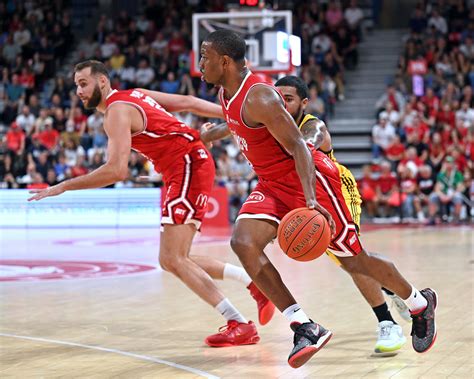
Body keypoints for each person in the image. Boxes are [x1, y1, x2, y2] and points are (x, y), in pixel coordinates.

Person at [199, 30, 437, 368]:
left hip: (306, 181)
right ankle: (304, 326)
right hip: (271, 184)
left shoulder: (260, 96)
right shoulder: (227, 92)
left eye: (204, 58)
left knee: (355, 261)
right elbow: (239, 122)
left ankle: (418, 304)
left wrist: (310, 201)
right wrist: (213, 132)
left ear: (224, 62)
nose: (199, 65)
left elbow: (299, 146)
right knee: (243, 242)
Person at [28, 60, 275, 348]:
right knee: (172, 257)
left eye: (83, 83)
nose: (79, 91)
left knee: (173, 258)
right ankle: (253, 285)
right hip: (185, 166)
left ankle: (239, 322)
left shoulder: (116, 112)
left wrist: (64, 186)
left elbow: (116, 170)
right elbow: (186, 102)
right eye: (76, 86)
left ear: (103, 82)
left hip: (186, 165)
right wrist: (233, 114)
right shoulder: (133, 94)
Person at [274, 75, 410, 354]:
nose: (281, 104)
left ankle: (388, 323)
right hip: (308, 199)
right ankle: (391, 287)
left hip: (337, 192)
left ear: (304, 102)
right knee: (349, 263)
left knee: (352, 260)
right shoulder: (271, 125)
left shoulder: (313, 125)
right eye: (278, 99)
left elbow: (307, 145)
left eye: (288, 99)